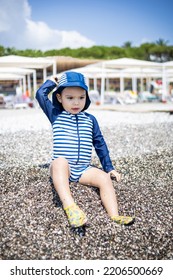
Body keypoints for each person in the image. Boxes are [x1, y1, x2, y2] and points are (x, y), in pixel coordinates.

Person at [36, 71, 135, 228]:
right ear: (60, 98)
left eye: (81, 97)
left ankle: (114, 215)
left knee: (104, 179)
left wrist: (109, 168)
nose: (76, 103)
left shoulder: (90, 119)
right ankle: (70, 207)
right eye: (70, 98)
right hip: (64, 169)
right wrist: (51, 82)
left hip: (83, 169)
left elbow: (99, 143)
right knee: (59, 162)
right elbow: (40, 95)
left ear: (86, 97)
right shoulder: (55, 114)